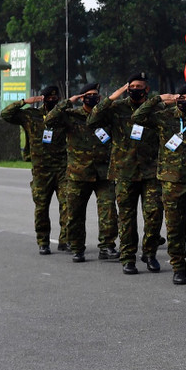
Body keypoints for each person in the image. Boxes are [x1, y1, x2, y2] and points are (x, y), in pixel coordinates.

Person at [133, 83, 186, 285]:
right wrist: (158, 99)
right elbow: (137, 117)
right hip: (171, 183)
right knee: (175, 228)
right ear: (176, 99)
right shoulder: (164, 117)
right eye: (182, 98)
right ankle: (179, 268)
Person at [89, 73, 165, 274]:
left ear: (147, 89)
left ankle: (150, 253)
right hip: (124, 171)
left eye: (140, 86)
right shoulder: (116, 108)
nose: (135, 90)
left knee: (154, 214)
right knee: (127, 218)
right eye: (132, 86)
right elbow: (92, 120)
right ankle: (128, 257)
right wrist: (112, 97)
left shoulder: (157, 108)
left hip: (151, 171)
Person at [44, 83, 118, 262]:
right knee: (75, 213)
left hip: (103, 172)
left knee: (108, 210)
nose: (93, 98)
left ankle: (107, 246)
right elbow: (49, 120)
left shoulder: (105, 116)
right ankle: (77, 247)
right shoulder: (72, 115)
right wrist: (68, 102)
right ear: (82, 97)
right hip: (78, 173)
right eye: (88, 95)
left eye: (95, 95)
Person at [1, 85, 68, 255]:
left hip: (62, 167)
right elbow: (6, 114)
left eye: (55, 98)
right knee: (41, 207)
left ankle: (65, 240)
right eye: (49, 98)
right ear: (42, 99)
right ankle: (43, 241)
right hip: (41, 169)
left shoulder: (63, 115)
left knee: (68, 205)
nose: (52, 100)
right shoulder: (31, 115)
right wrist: (24, 102)